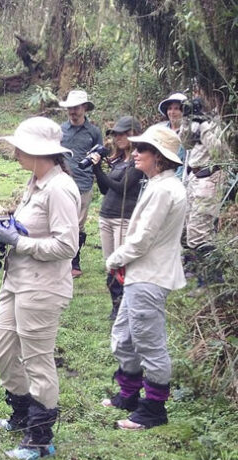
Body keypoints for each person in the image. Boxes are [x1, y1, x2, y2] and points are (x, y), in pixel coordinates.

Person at [0, 117, 80, 460]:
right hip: (16, 280)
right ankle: (21, 414)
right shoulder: (36, 181)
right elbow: (30, 230)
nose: (14, 152)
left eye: (19, 147)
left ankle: (39, 440)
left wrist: (21, 243)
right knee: (1, 351)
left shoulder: (60, 188)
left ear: (38, 152)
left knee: (38, 362)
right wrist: (3, 237)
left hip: (42, 288)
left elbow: (66, 246)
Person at [102, 125, 188, 429]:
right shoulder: (157, 184)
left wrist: (114, 259)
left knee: (149, 342)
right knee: (124, 337)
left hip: (150, 275)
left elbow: (142, 240)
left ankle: (153, 409)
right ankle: (128, 393)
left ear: (159, 158)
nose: (135, 154)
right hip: (142, 273)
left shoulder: (165, 189)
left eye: (142, 150)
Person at [86, 116, 145, 320]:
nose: (119, 137)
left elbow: (122, 187)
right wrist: (96, 167)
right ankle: (116, 307)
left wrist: (101, 169)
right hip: (106, 216)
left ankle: (125, 307)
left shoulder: (139, 160)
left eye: (124, 133)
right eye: (116, 134)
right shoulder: (118, 160)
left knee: (122, 264)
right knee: (110, 264)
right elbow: (104, 189)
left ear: (134, 134)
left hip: (124, 217)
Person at [179, 96, 228, 284]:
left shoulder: (220, 121)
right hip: (193, 176)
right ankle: (204, 277)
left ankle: (210, 281)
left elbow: (219, 151)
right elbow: (186, 144)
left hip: (210, 176)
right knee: (190, 228)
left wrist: (205, 125)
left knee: (200, 230)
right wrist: (187, 120)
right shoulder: (196, 120)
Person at [58, 90, 102, 278]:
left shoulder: (94, 132)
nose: (72, 112)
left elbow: (99, 156)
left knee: (77, 225)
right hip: (61, 183)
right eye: (69, 108)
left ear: (84, 108)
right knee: (60, 221)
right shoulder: (61, 130)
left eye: (75, 108)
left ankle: (74, 262)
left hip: (83, 184)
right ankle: (59, 260)